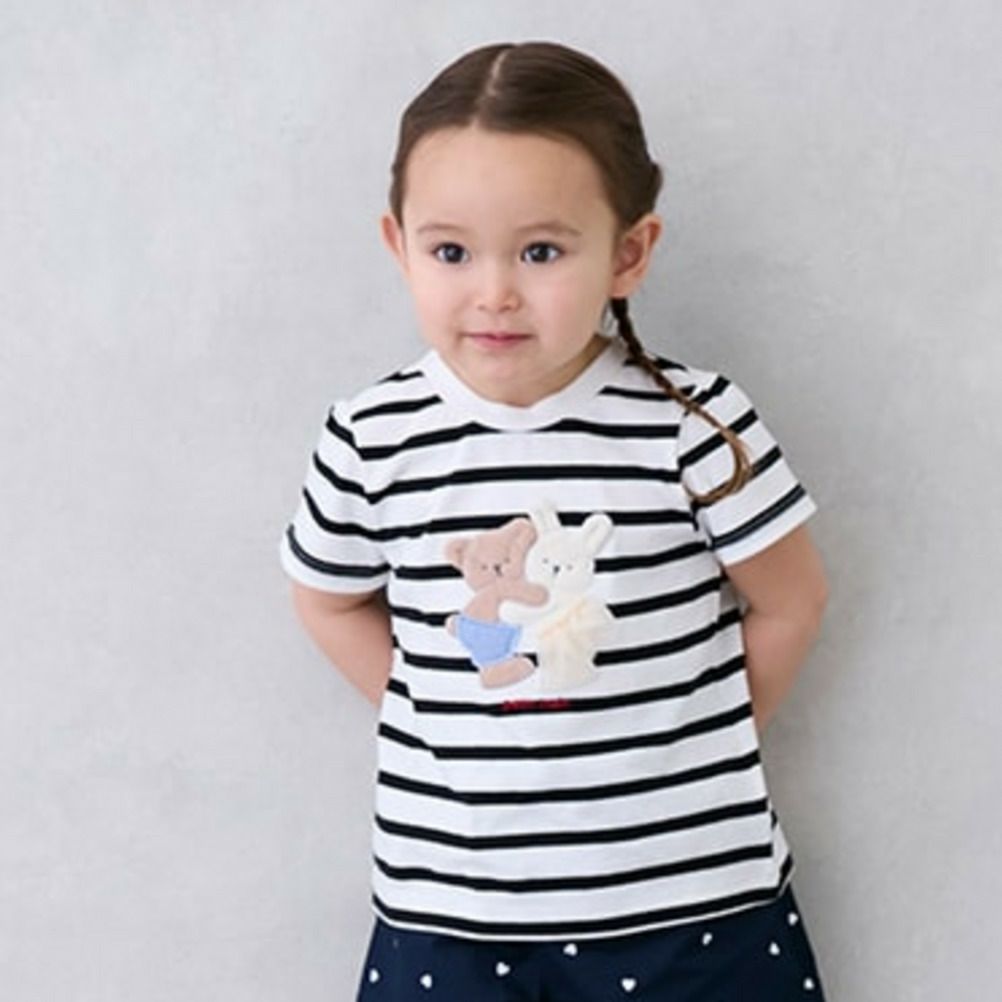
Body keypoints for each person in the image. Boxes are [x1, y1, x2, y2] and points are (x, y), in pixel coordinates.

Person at [279, 40, 829, 1002]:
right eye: (451, 251)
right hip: (452, 915)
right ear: (399, 246)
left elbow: (793, 601)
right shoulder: (373, 436)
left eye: (540, 252)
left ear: (629, 253)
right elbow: (326, 599)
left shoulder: (694, 425)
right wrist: (434, 718)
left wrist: (696, 737)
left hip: (693, 910)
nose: (494, 292)